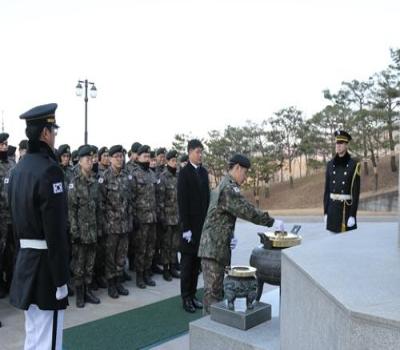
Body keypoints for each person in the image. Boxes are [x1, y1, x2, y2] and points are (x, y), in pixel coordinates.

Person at [8, 103, 69, 350]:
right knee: (48, 340)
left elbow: (15, 223)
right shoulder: (50, 170)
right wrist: (61, 277)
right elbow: (55, 231)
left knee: (33, 336)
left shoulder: (18, 169)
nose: (55, 136)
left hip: (26, 262)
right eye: (53, 130)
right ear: (45, 133)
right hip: (46, 269)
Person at [198, 154, 285, 314]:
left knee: (217, 293)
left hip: (217, 246)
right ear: (237, 168)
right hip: (213, 249)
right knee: (212, 296)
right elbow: (246, 210)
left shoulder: (226, 184)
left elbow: (222, 217)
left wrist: (230, 236)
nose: (245, 178)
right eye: (245, 173)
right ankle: (208, 333)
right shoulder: (228, 188)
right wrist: (271, 222)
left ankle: (215, 329)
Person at [68, 145, 103, 308]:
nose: (91, 162)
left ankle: (88, 290)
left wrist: (100, 228)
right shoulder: (74, 184)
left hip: (93, 231)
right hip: (80, 232)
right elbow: (71, 210)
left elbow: (98, 208)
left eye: (92, 159)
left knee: (90, 264)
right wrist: (74, 231)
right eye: (87, 159)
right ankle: (80, 293)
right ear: (80, 162)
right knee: (79, 265)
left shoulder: (95, 183)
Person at [177, 139, 210, 313]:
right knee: (187, 265)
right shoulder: (184, 173)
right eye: (197, 152)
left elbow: (207, 199)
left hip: (201, 226)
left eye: (201, 152)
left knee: (197, 264)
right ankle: (185, 298)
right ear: (190, 152)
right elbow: (182, 202)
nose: (200, 155)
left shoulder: (204, 172)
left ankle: (193, 295)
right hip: (189, 228)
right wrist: (186, 228)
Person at [99, 145, 132, 298]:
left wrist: (130, 220)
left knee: (121, 255)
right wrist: (105, 223)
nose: (120, 159)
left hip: (124, 224)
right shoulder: (105, 177)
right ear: (111, 158)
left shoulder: (126, 176)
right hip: (111, 225)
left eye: (121, 156)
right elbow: (101, 203)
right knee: (110, 256)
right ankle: (111, 284)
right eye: (117, 156)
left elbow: (130, 200)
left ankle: (119, 282)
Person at [131, 145, 158, 288]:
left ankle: (147, 273)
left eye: (149, 157)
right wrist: (134, 217)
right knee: (141, 249)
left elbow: (155, 196)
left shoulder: (152, 174)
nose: (147, 159)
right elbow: (132, 198)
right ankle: (140, 276)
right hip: (141, 219)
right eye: (145, 157)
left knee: (150, 248)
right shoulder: (134, 174)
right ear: (138, 157)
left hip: (152, 218)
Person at [323, 130, 361, 233]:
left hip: (346, 211)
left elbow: (355, 192)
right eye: (337, 143)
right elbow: (327, 190)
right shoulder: (330, 164)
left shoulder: (354, 165)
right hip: (332, 210)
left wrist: (353, 215)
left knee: (346, 246)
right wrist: (325, 212)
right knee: (332, 244)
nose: (338, 145)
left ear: (346, 145)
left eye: (341, 143)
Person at [157, 150, 181, 281]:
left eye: (175, 161)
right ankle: (165, 269)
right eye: (172, 160)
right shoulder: (163, 177)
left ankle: (172, 267)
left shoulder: (178, 176)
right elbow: (160, 200)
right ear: (167, 162)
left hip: (177, 217)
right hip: (167, 218)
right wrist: (162, 218)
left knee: (174, 245)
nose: (175, 163)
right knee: (166, 245)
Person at [0, 132, 13, 299]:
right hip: (1, 217)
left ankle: (10, 281)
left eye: (5, 144)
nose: (4, 146)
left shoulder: (11, 164)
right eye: (1, 144)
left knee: (12, 252)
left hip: (12, 216)